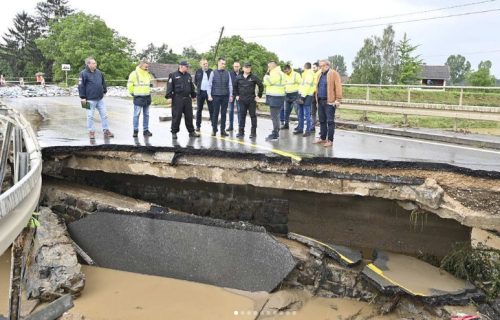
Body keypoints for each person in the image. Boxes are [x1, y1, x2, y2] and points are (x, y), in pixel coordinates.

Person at [78, 57, 114, 140]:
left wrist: (104, 91)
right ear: (88, 64)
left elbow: (103, 82)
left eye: (95, 63)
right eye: (93, 63)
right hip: (88, 99)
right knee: (89, 116)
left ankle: (106, 130)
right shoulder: (83, 73)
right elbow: (80, 86)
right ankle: (91, 132)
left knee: (104, 115)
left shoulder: (99, 72)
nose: (95, 64)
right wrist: (82, 97)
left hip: (99, 99)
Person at [165, 61, 200, 139]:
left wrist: (193, 96)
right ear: (181, 66)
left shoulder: (188, 76)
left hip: (187, 99)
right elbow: (169, 87)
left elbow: (191, 87)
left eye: (188, 67)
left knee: (189, 116)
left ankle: (191, 132)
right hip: (177, 99)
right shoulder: (173, 75)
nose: (188, 68)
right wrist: (169, 97)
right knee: (176, 116)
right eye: (186, 66)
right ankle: (174, 132)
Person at [314, 59, 342, 148]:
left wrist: (338, 99)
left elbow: (338, 86)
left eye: (321, 66)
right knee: (322, 121)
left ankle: (330, 140)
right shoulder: (319, 75)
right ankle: (322, 138)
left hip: (330, 102)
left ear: (327, 65)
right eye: (320, 66)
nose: (320, 68)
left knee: (330, 122)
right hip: (320, 101)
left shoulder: (333, 73)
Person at [233, 62, 263, 139]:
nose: (247, 69)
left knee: (253, 116)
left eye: (249, 67)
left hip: (251, 100)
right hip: (242, 100)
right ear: (243, 68)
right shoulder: (238, 77)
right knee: (242, 116)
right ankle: (241, 132)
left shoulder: (254, 77)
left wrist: (259, 96)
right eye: (246, 67)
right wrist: (236, 95)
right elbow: (234, 87)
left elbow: (261, 85)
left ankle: (253, 133)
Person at [207, 58, 233, 137]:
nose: (223, 65)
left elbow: (230, 85)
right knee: (215, 113)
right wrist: (209, 95)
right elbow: (209, 85)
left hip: (225, 96)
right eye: (222, 63)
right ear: (218, 63)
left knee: (224, 114)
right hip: (215, 96)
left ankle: (222, 130)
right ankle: (214, 130)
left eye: (224, 64)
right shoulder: (213, 73)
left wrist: (231, 95)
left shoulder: (227, 73)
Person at [127, 60, 153, 137]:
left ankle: (146, 130)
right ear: (141, 65)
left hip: (147, 97)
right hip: (138, 97)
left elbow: (148, 85)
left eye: (148, 66)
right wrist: (132, 93)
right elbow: (129, 84)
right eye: (146, 66)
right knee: (136, 115)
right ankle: (135, 130)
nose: (147, 67)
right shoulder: (134, 74)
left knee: (146, 115)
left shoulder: (148, 74)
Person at [263, 61, 285, 141]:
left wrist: (266, 75)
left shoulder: (275, 73)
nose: (268, 68)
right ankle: (276, 132)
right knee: (276, 116)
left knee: (274, 116)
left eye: (269, 66)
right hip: (278, 97)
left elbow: (267, 82)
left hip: (275, 97)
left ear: (273, 66)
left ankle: (275, 134)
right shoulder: (280, 73)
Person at [295, 62, 315, 137]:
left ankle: (308, 130)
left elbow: (307, 86)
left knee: (307, 114)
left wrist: (302, 97)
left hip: (307, 95)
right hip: (302, 94)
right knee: (300, 113)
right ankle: (300, 129)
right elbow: (302, 85)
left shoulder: (309, 74)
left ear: (305, 66)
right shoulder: (305, 74)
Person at [194, 59, 213, 131]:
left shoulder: (211, 71)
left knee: (212, 109)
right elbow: (195, 81)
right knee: (199, 109)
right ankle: (198, 126)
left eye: (206, 63)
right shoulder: (198, 71)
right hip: (200, 93)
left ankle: (213, 125)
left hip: (209, 93)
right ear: (201, 64)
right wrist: (199, 87)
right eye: (204, 64)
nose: (206, 65)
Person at [280, 64, 302, 129]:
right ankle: (286, 125)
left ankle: (300, 126)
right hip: (287, 95)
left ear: (289, 69)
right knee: (286, 111)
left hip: (295, 95)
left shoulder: (296, 74)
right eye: (285, 71)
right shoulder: (284, 75)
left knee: (297, 111)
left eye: (287, 71)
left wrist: (300, 94)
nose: (286, 72)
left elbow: (301, 84)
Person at [228, 61, 242, 132]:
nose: (236, 67)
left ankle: (240, 126)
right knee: (230, 110)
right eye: (235, 66)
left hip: (239, 95)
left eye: (237, 66)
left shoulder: (242, 74)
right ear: (233, 66)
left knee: (240, 110)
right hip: (231, 95)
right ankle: (231, 126)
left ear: (240, 67)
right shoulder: (229, 74)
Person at [311, 62, 321, 131]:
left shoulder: (320, 74)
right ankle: (313, 126)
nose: (313, 69)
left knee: (320, 112)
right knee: (313, 111)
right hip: (313, 94)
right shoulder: (313, 74)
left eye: (314, 67)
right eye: (312, 67)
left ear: (318, 67)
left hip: (319, 95)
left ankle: (322, 129)